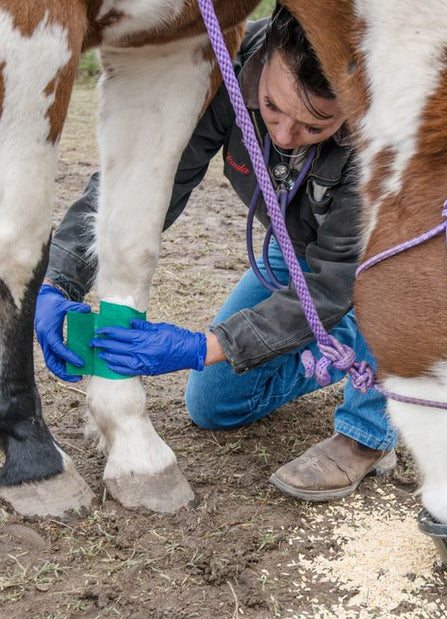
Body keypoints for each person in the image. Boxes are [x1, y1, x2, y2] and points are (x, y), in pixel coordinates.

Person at [35, 5, 397, 502]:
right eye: (273, 109)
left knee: (395, 285)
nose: (285, 136)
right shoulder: (225, 76)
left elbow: (334, 281)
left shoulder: (379, 129)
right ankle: (348, 350)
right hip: (292, 252)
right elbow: (144, 184)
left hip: (373, 267)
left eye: (316, 127)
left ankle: (370, 429)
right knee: (215, 403)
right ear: (263, 60)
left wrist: (197, 347)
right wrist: (56, 281)